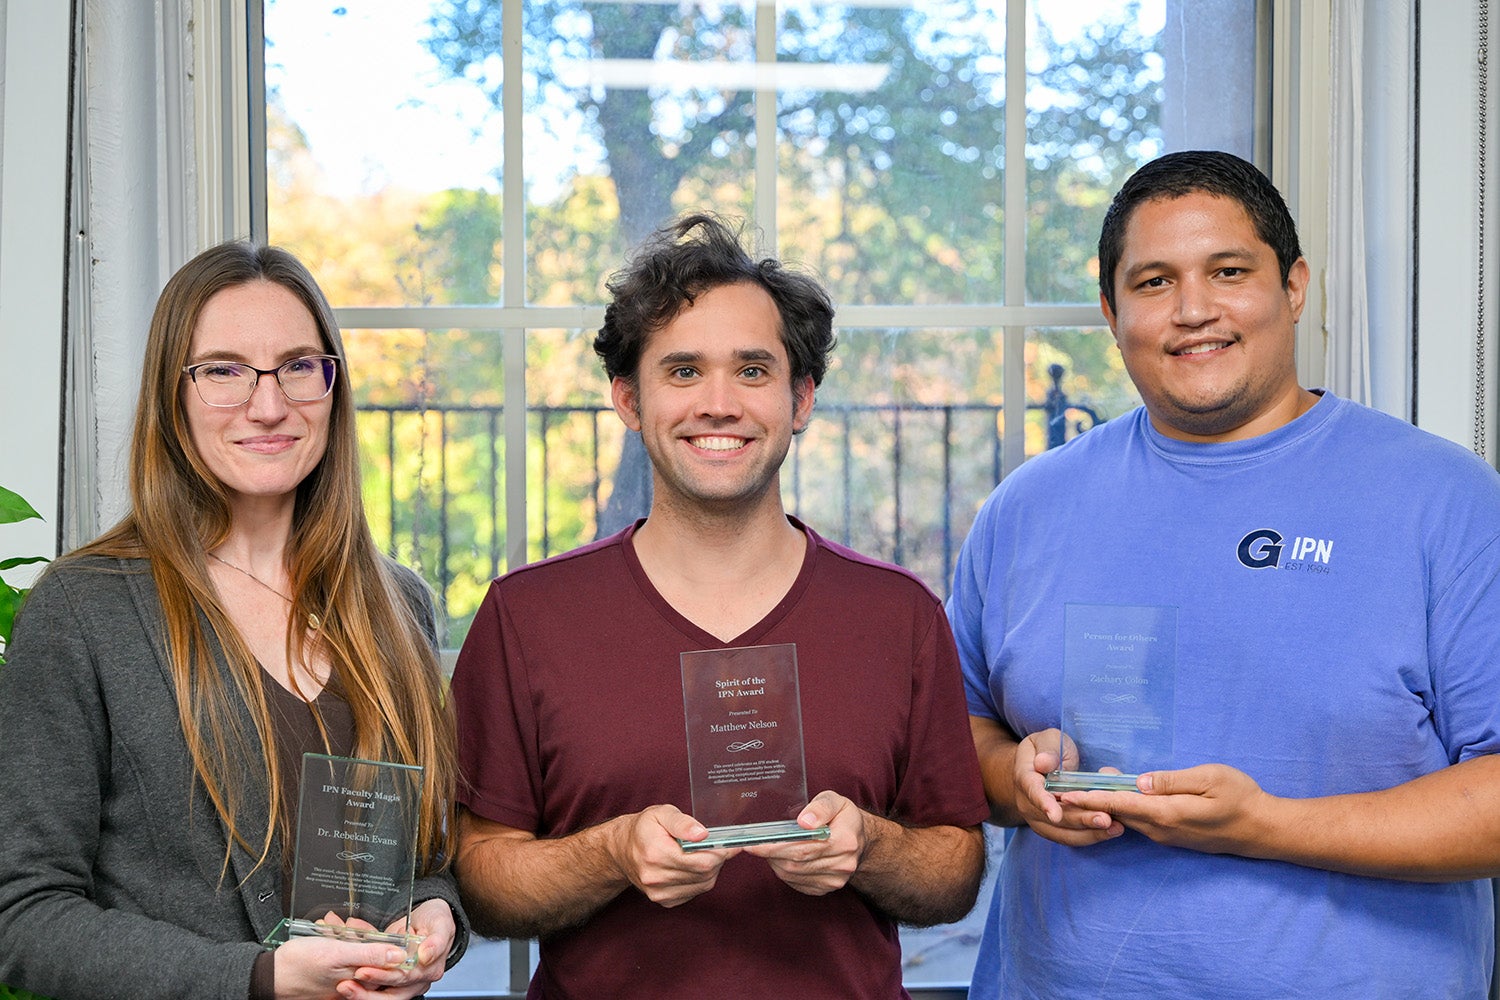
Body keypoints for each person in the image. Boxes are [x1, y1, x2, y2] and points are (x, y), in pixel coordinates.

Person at [949, 148, 1500, 998]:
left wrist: (1266, 826)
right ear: (1110, 309)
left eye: (1229, 271)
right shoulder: (1027, 508)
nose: (1193, 310)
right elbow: (964, 733)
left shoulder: (1446, 500)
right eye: (1154, 282)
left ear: (1294, 286)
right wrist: (1017, 781)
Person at [450, 213, 989, 998]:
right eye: (682, 372)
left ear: (801, 399)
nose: (718, 403)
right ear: (629, 400)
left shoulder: (899, 615)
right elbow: (481, 881)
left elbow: (956, 870)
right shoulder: (527, 616)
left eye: (752, 371)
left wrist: (869, 847)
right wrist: (611, 854)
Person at [0, 242, 469, 1000]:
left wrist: (434, 913)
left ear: (332, 386)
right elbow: (23, 917)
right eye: (223, 370)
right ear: (173, 394)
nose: (268, 404)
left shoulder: (396, 603)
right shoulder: (83, 610)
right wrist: (257, 978)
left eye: (297, 366)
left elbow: (418, 857)